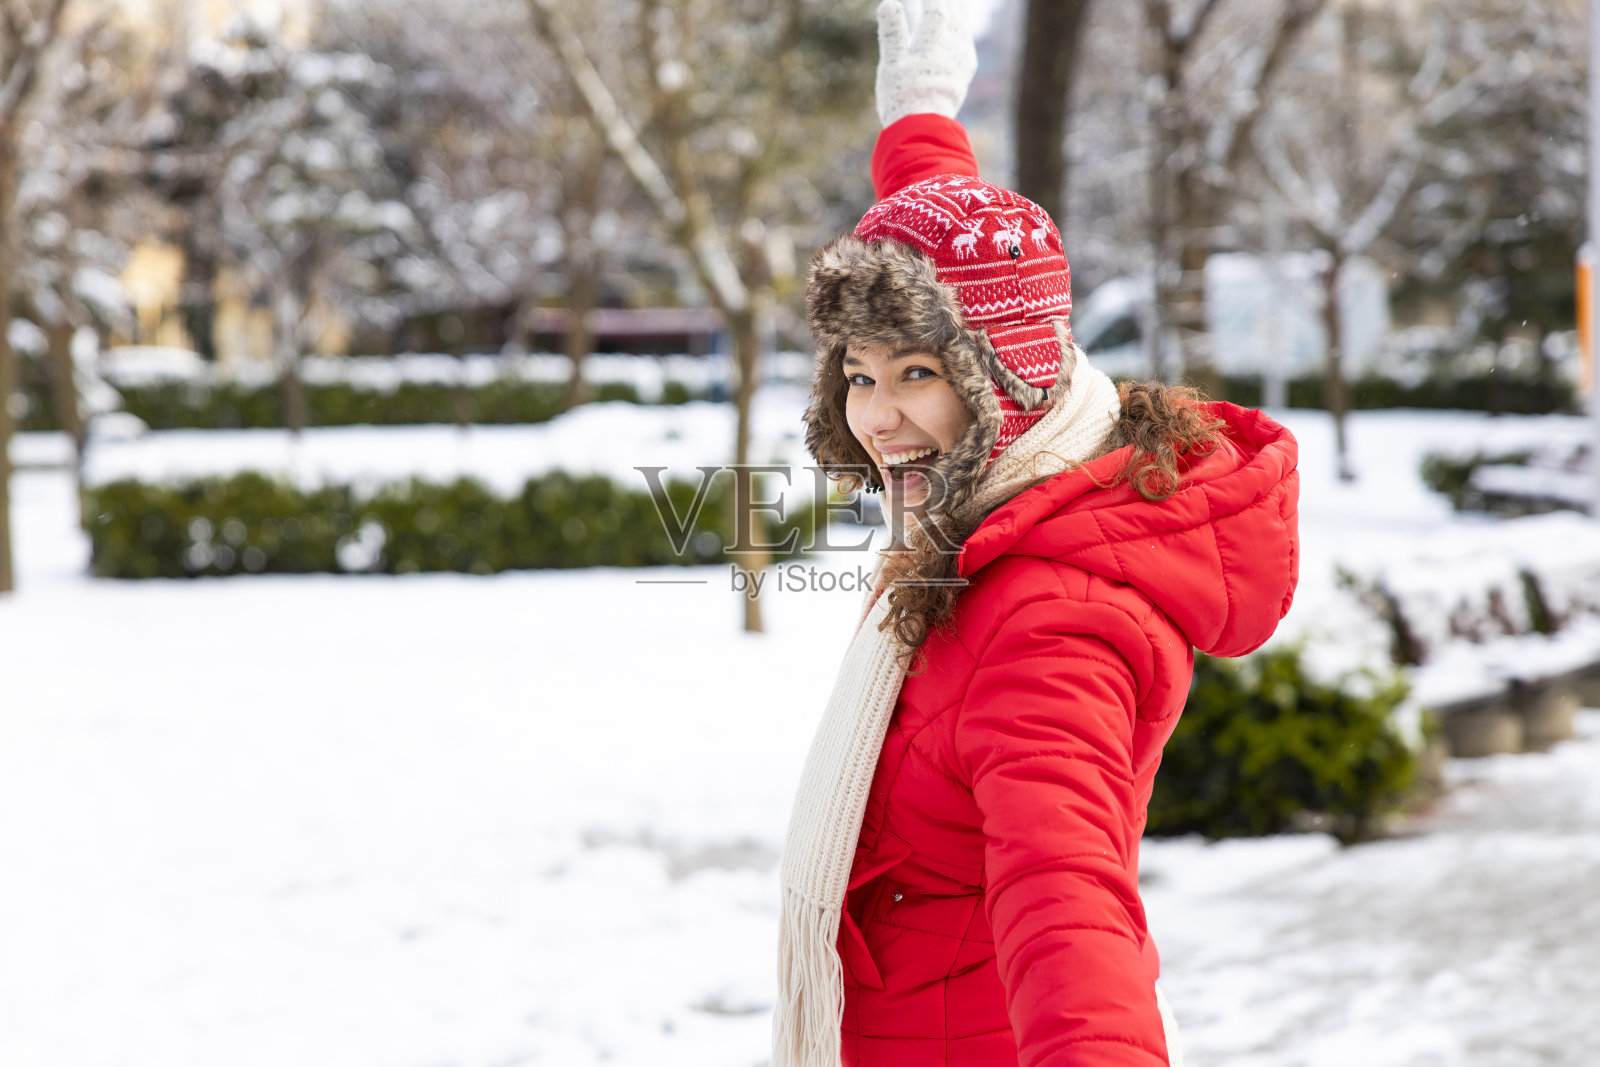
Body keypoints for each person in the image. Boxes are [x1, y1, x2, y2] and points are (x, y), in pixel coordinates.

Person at [772, 3, 1302, 1066]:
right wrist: (920, 102)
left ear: (1003, 383)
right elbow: (939, 229)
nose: (877, 418)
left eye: (917, 373)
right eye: (860, 376)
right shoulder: (993, 508)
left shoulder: (1047, 622)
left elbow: (1070, 915)